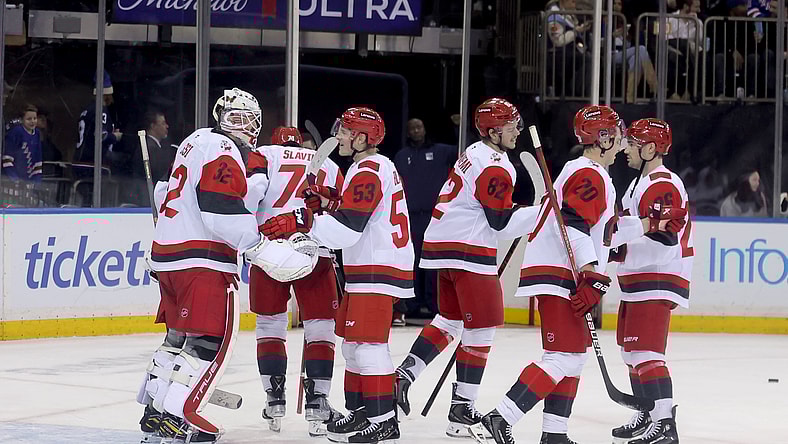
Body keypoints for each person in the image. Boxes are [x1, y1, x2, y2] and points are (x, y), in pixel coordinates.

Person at [470, 106, 686, 444]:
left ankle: (554, 434)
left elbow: (604, 230)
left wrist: (650, 223)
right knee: (562, 357)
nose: (621, 143)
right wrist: (588, 271)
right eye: (617, 136)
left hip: (558, 271)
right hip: (561, 273)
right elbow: (572, 223)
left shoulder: (587, 172)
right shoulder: (590, 174)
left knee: (572, 358)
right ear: (603, 139)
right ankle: (501, 417)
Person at [135, 88, 318, 444]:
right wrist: (257, 245)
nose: (245, 126)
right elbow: (219, 207)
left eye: (248, 119)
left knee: (176, 340)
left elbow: (164, 193)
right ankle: (181, 415)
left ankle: (156, 411)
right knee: (208, 342)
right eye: (239, 118)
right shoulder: (223, 148)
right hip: (203, 261)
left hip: (169, 257)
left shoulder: (193, 141)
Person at [262, 107, 415, 443]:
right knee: (353, 348)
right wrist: (328, 203)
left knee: (369, 347)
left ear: (361, 138)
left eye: (345, 132)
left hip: (378, 268)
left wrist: (303, 222)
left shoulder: (369, 170)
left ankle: (384, 421)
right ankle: (361, 412)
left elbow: (348, 229)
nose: (339, 136)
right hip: (367, 269)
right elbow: (357, 213)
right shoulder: (369, 167)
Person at [395, 98, 539, 438]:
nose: (517, 131)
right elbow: (500, 222)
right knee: (481, 330)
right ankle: (462, 409)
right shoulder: (496, 165)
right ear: (493, 131)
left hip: (441, 245)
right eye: (511, 126)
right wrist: (542, 213)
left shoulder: (474, 152)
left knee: (449, 320)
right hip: (468, 250)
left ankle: (402, 377)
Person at [249, 125, 345, 437]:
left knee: (270, 324)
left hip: (268, 249)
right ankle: (318, 403)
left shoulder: (263, 154)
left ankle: (274, 399)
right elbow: (341, 209)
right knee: (321, 326)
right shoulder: (327, 163)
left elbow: (247, 197)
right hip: (314, 249)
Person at [609, 118, 692, 444]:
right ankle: (647, 414)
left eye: (632, 144)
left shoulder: (662, 183)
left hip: (656, 276)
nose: (626, 150)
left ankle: (665, 424)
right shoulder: (639, 183)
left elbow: (666, 238)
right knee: (631, 354)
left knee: (646, 355)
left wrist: (619, 241)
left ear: (650, 149)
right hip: (639, 278)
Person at [393, 118, 457, 322]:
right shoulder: (402, 156)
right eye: (411, 128)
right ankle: (411, 304)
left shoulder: (440, 151)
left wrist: (457, 127)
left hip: (434, 216)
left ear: (425, 129)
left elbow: (464, 151)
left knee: (432, 262)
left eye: (419, 127)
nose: (415, 131)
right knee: (411, 260)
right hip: (410, 217)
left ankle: (434, 305)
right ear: (407, 132)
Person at [76, 71, 122, 163]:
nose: (112, 101)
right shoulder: (100, 110)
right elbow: (101, 136)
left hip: (80, 159)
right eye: (110, 96)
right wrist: (115, 136)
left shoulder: (87, 110)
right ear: (106, 96)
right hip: (92, 162)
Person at [3, 104, 42, 182]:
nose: (32, 121)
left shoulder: (37, 133)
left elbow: (38, 159)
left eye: (35, 118)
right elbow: (7, 159)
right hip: (12, 180)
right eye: (29, 119)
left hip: (29, 180)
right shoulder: (16, 132)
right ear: (21, 119)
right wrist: (15, 179)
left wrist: (37, 181)